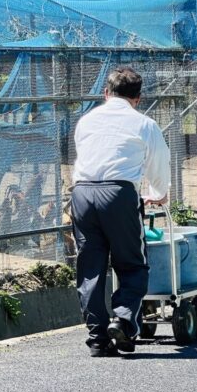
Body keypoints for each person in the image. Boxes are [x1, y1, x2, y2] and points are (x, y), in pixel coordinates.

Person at [71, 67, 170, 357]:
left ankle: (97, 339)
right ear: (137, 98)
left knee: (90, 268)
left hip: (82, 193)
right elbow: (158, 164)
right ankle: (125, 320)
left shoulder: (86, 121)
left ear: (106, 93)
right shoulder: (144, 124)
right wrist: (157, 193)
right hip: (118, 194)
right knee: (132, 262)